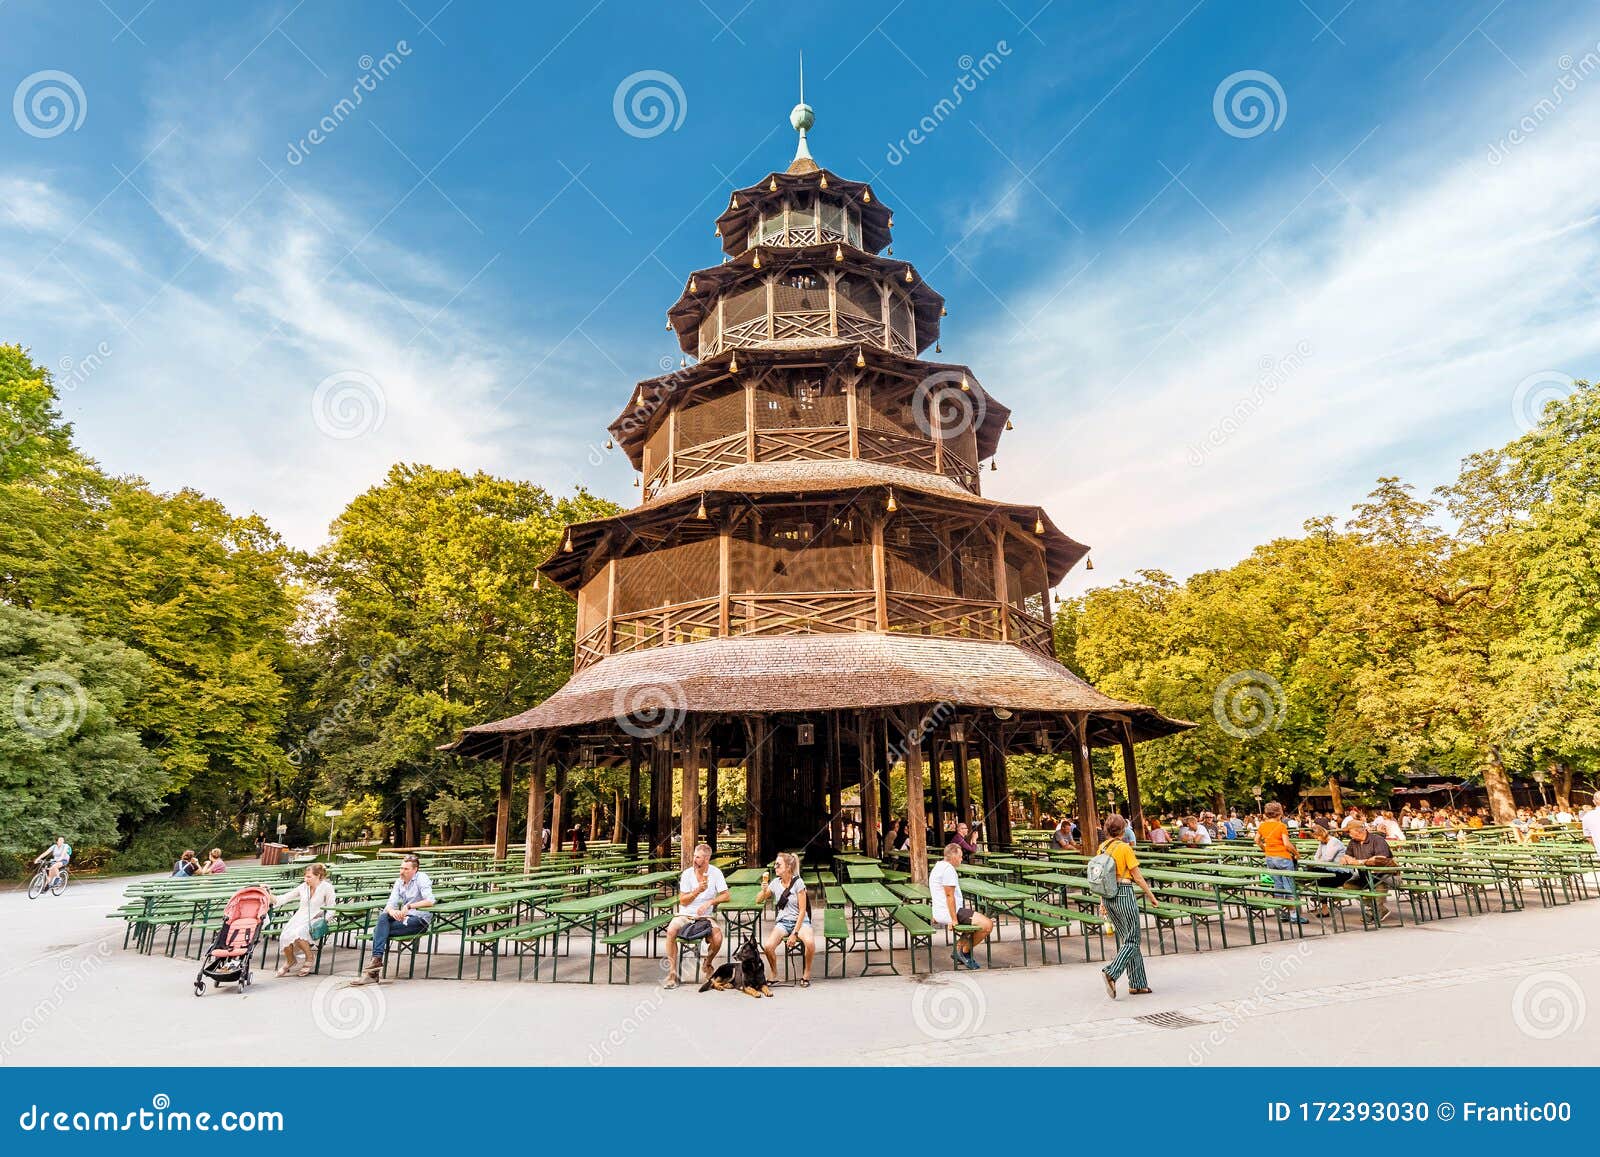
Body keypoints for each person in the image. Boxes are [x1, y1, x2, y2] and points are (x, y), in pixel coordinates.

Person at [1097, 815, 1158, 998]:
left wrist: (1102, 902)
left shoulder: (1102, 847)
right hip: (1124, 892)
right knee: (1133, 940)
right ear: (1123, 830)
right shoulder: (1124, 848)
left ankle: (1138, 983)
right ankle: (1112, 972)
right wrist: (1151, 896)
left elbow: (1101, 877)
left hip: (1108, 895)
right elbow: (1137, 877)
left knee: (1128, 940)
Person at [362, 853, 434, 982]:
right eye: (401, 868)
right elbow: (390, 903)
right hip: (403, 918)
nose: (402, 871)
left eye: (406, 869)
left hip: (419, 920)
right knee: (383, 917)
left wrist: (409, 906)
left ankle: (374, 967)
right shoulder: (399, 881)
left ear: (415, 870)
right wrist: (392, 911)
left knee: (378, 931)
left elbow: (430, 901)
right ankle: (376, 960)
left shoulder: (421, 878)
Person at [664, 842, 728, 988]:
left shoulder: (715, 873)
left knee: (717, 938)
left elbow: (726, 895)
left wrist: (710, 902)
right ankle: (672, 973)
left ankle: (708, 963)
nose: (694, 860)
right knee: (671, 931)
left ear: (706, 859)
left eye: (698, 857)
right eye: (694, 856)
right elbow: (683, 901)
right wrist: (697, 891)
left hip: (705, 917)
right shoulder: (687, 874)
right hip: (685, 915)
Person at [930, 842, 992, 969]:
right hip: (950, 912)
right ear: (953, 856)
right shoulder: (948, 870)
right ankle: (964, 952)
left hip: (941, 911)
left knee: (976, 921)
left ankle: (958, 949)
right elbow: (949, 896)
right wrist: (953, 920)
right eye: (960, 856)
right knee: (987, 925)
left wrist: (936, 913)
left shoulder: (938, 866)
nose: (961, 859)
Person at [270, 862, 336, 977]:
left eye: (309, 877)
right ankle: (290, 961)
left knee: (299, 933)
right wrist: (268, 894)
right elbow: (284, 898)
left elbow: (332, 908)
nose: (306, 879)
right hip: (300, 917)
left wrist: (324, 920)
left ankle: (309, 957)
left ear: (318, 876)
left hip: (317, 918)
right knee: (284, 936)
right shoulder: (303, 886)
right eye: (305, 876)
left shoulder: (327, 887)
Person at [758, 851, 813, 987]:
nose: (775, 867)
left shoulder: (798, 883)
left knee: (810, 943)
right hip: (783, 922)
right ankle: (774, 972)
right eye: (775, 864)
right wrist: (764, 890)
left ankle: (806, 973)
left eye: (778, 864)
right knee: (768, 947)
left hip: (800, 921)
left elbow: (802, 911)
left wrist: (794, 933)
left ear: (788, 867)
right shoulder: (775, 883)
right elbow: (758, 900)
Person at [1254, 802, 1305, 924]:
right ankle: (1293, 915)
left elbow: (1256, 840)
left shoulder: (1262, 825)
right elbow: (1287, 844)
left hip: (1270, 857)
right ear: (1279, 813)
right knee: (1289, 885)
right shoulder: (1281, 826)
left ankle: (1282, 913)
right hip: (1283, 856)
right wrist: (1296, 853)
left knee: (1278, 885)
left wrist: (1265, 848)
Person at [1339, 821, 1399, 924]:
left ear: (1358, 831)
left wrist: (1359, 862)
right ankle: (1378, 908)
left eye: (1349, 832)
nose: (1348, 834)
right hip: (1366, 875)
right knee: (1349, 885)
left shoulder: (1377, 840)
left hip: (1388, 875)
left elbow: (1380, 859)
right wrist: (1346, 859)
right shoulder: (1353, 842)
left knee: (1379, 883)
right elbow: (1346, 856)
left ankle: (1376, 912)